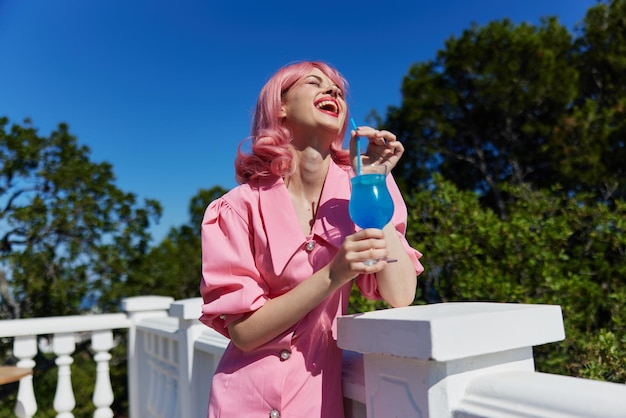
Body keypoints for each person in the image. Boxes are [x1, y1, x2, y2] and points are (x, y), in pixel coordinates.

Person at [199, 60, 424, 418]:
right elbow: (243, 332)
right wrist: (333, 275)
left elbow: (400, 294)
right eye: (315, 83)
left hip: (317, 405)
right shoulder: (235, 208)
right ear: (281, 106)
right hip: (240, 402)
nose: (333, 91)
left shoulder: (365, 187)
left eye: (338, 89)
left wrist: (376, 181)